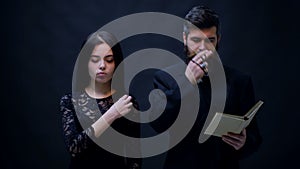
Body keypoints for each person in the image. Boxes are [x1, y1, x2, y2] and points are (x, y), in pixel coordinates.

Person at [150, 6, 262, 169]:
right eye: (196, 40)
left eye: (210, 40)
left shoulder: (240, 81)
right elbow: (159, 124)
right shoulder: (165, 78)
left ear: (218, 39)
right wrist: (187, 82)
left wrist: (244, 142)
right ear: (184, 39)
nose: (203, 48)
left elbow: (254, 138)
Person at [60, 31, 140, 169]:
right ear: (85, 62)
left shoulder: (127, 102)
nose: (102, 65)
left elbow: (135, 159)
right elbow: (74, 148)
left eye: (109, 60)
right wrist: (112, 114)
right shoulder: (70, 101)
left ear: (116, 63)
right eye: (95, 60)